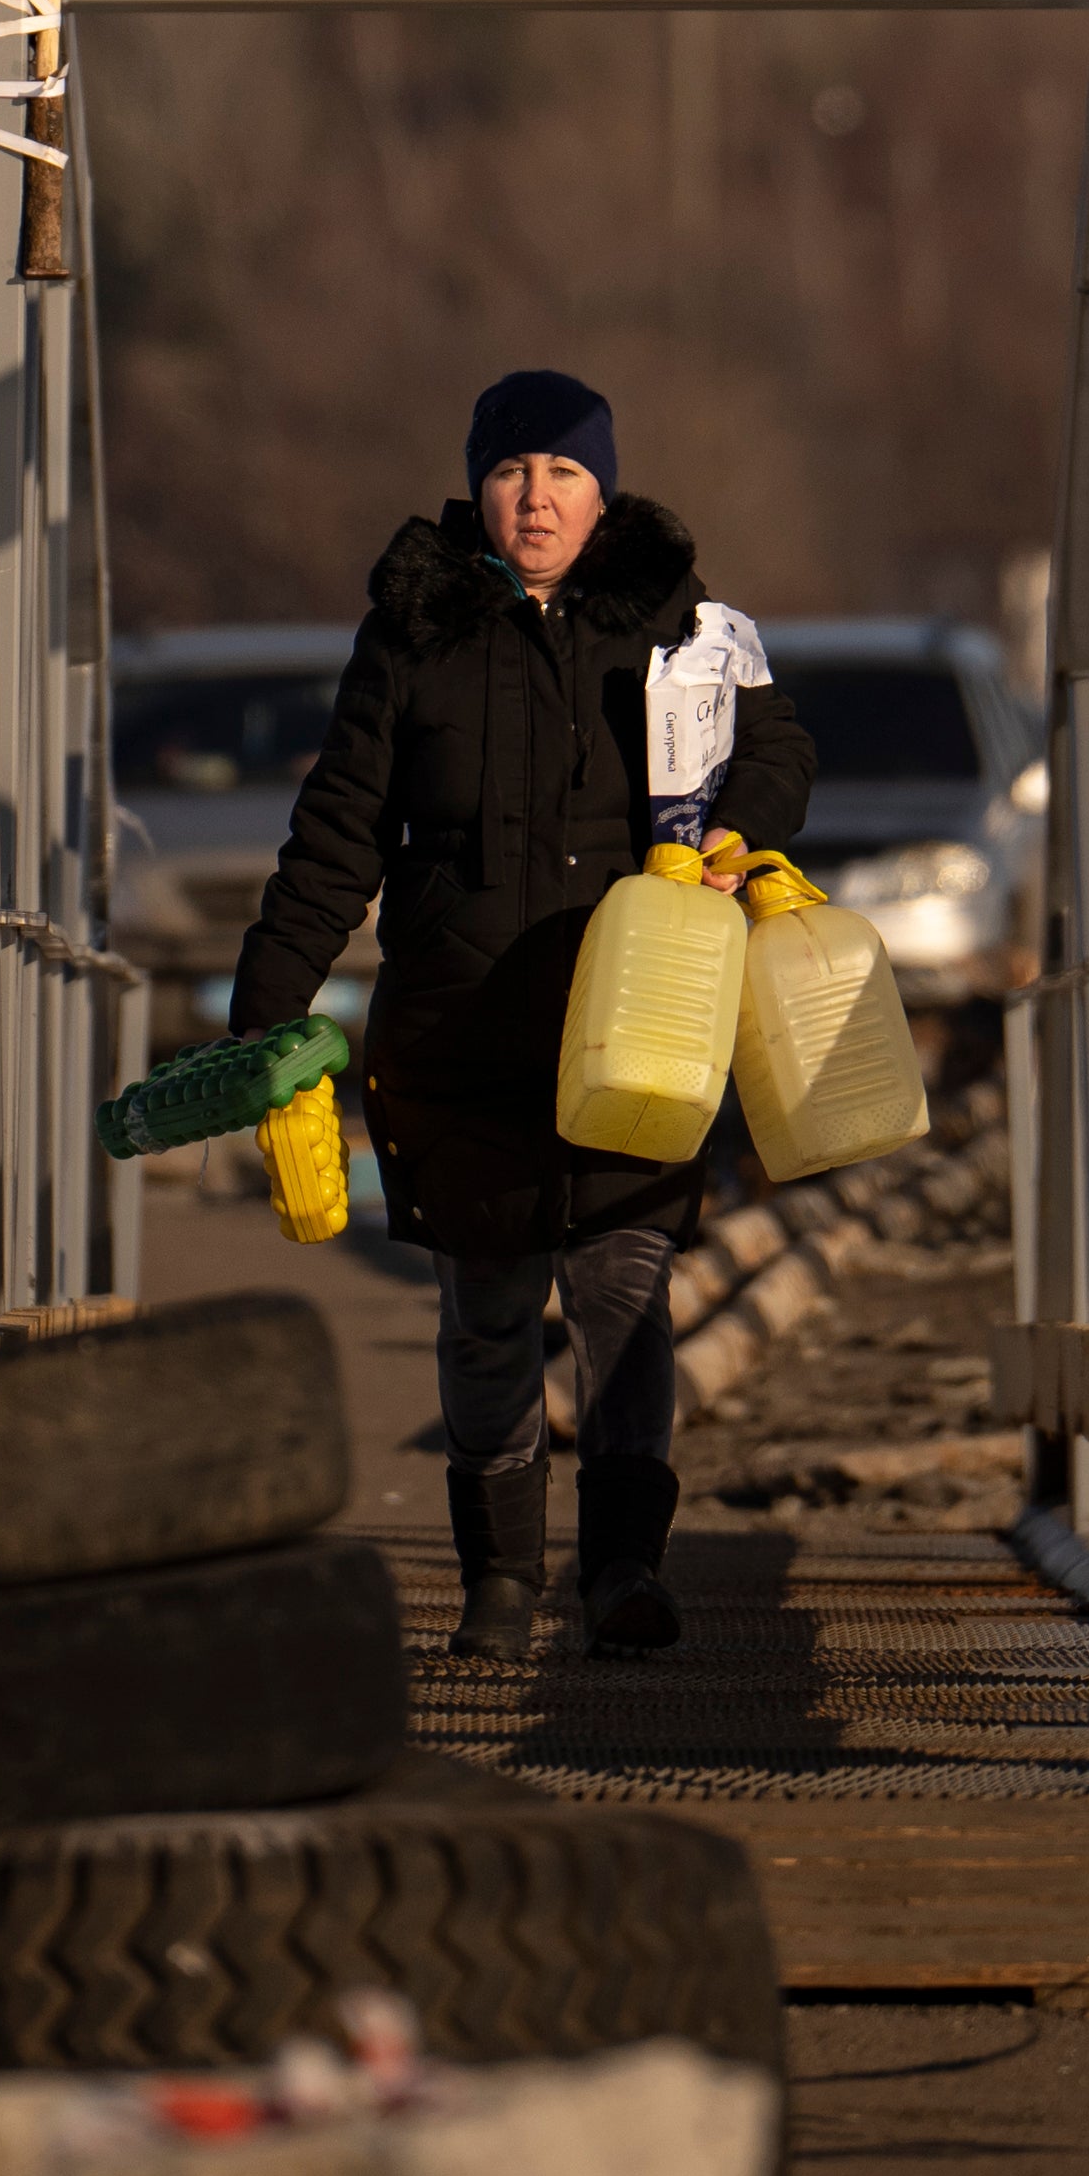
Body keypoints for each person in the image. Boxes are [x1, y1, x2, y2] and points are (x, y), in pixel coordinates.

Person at [234, 368, 810, 1663]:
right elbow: (335, 833)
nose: (533, 497)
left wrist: (735, 827)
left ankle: (621, 1569)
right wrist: (267, 1007)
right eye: (509, 472)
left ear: (602, 490)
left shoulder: (682, 616)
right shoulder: (410, 634)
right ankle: (499, 1577)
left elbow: (779, 750)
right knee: (486, 1308)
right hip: (459, 1032)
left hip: (640, 1025)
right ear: (476, 488)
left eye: (560, 472)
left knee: (624, 1292)